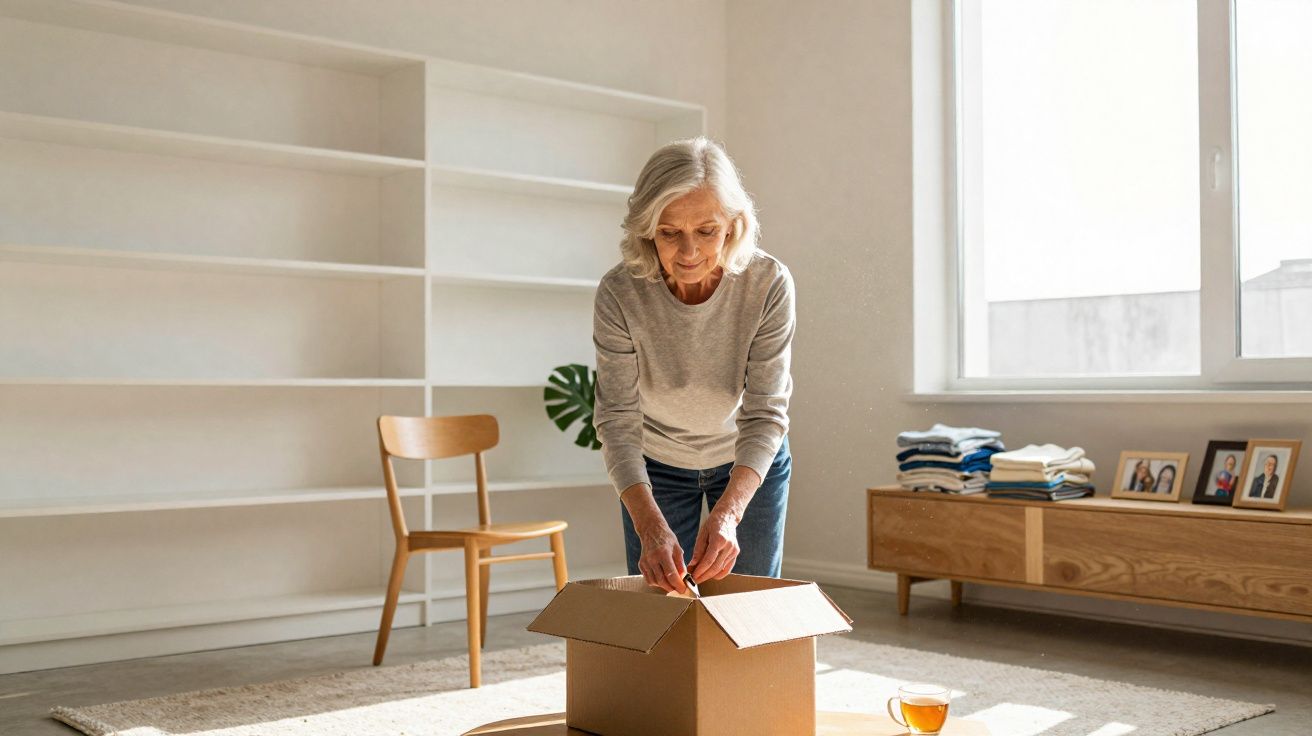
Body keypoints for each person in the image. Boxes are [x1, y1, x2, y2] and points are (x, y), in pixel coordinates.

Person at [592, 137, 795, 594]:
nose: (688, 252)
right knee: (664, 613)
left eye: (706, 231)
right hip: (657, 464)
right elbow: (617, 420)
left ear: (732, 227)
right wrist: (649, 527)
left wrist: (729, 513)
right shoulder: (620, 293)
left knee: (752, 609)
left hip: (746, 461)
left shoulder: (768, 284)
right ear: (647, 231)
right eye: (669, 233)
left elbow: (766, 413)